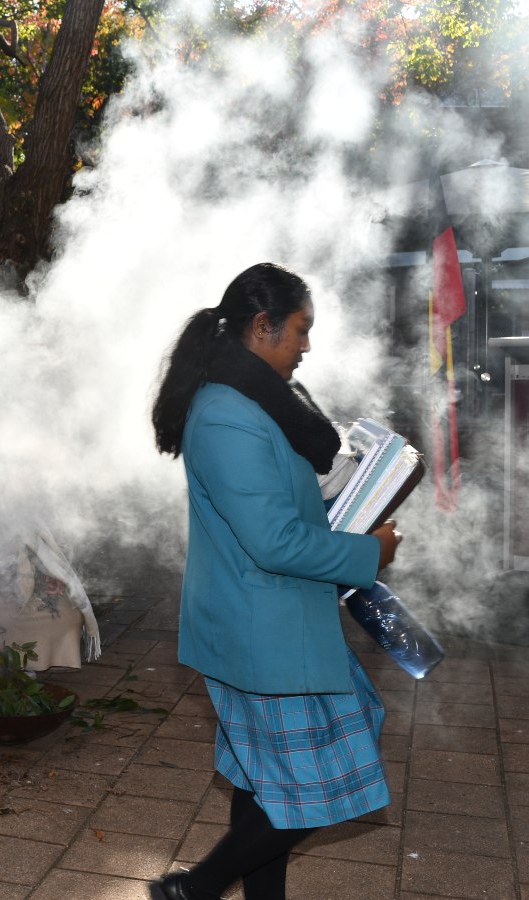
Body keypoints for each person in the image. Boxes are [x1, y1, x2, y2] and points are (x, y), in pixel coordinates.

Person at [148, 263, 402, 900]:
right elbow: (273, 539)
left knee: (269, 785)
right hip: (259, 629)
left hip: (279, 621)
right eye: (299, 330)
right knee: (314, 787)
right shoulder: (226, 415)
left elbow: (285, 504)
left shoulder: (261, 401)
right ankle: (196, 889)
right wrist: (365, 552)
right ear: (261, 328)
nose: (307, 346)